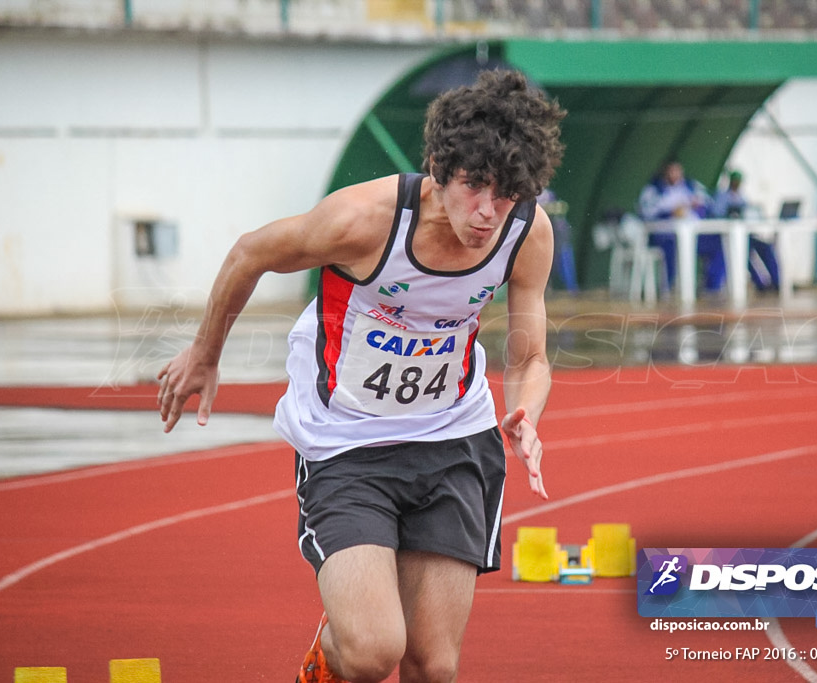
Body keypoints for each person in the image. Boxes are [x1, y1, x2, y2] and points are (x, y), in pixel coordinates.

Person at [156, 69, 565, 683]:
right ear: (437, 167)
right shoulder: (363, 220)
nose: (486, 212)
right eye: (473, 186)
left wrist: (528, 411)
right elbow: (250, 253)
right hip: (346, 443)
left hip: (453, 440)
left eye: (505, 193)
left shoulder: (525, 232)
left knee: (435, 666)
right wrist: (206, 352)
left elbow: (531, 358)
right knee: (374, 652)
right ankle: (328, 659)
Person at [637, 160, 726, 292]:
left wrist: (698, 205)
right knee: (671, 249)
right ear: (665, 172)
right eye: (672, 171)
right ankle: (670, 288)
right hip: (665, 236)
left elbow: (708, 203)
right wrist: (669, 212)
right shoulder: (653, 189)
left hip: (692, 234)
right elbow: (645, 212)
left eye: (678, 171)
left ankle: (711, 286)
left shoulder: (691, 186)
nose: (676, 174)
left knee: (720, 243)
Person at [712, 170, 779, 292]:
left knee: (765, 248)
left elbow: (749, 213)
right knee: (744, 253)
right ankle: (760, 284)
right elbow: (716, 214)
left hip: (745, 235)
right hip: (727, 237)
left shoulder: (742, 197)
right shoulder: (722, 196)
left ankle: (777, 282)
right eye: (735, 181)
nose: (737, 184)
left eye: (739, 181)